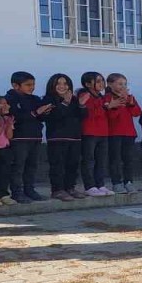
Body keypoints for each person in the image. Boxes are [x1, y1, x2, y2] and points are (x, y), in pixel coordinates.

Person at [7, 71, 52, 203]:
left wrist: (45, 112)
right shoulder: (9, 99)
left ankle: (29, 189)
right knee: (18, 166)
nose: (32, 87)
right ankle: (16, 192)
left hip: (35, 137)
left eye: (33, 84)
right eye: (28, 85)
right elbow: (15, 117)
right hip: (19, 138)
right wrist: (35, 113)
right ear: (16, 85)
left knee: (32, 166)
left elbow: (40, 117)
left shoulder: (35, 99)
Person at [42, 73, 86, 201]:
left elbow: (82, 116)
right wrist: (65, 102)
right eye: (58, 83)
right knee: (58, 165)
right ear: (52, 85)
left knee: (72, 164)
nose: (62, 86)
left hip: (75, 137)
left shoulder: (74, 99)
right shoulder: (48, 99)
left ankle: (70, 187)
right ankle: (57, 190)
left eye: (65, 83)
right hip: (57, 138)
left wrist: (82, 105)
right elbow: (55, 116)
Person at [104, 73, 141, 193]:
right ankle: (116, 182)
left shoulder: (130, 97)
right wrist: (118, 104)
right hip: (114, 133)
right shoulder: (108, 97)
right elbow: (111, 116)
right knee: (115, 159)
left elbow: (136, 113)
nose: (123, 86)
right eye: (120, 84)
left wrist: (130, 102)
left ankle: (128, 181)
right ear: (110, 84)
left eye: (125, 84)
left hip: (129, 133)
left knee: (128, 159)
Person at [78, 72, 112, 196]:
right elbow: (89, 113)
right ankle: (89, 186)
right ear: (87, 84)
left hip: (103, 132)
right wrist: (105, 107)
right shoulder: (84, 95)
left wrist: (108, 107)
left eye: (102, 81)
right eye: (97, 81)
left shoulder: (102, 97)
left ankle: (100, 184)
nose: (101, 83)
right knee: (89, 160)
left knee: (101, 160)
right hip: (89, 132)